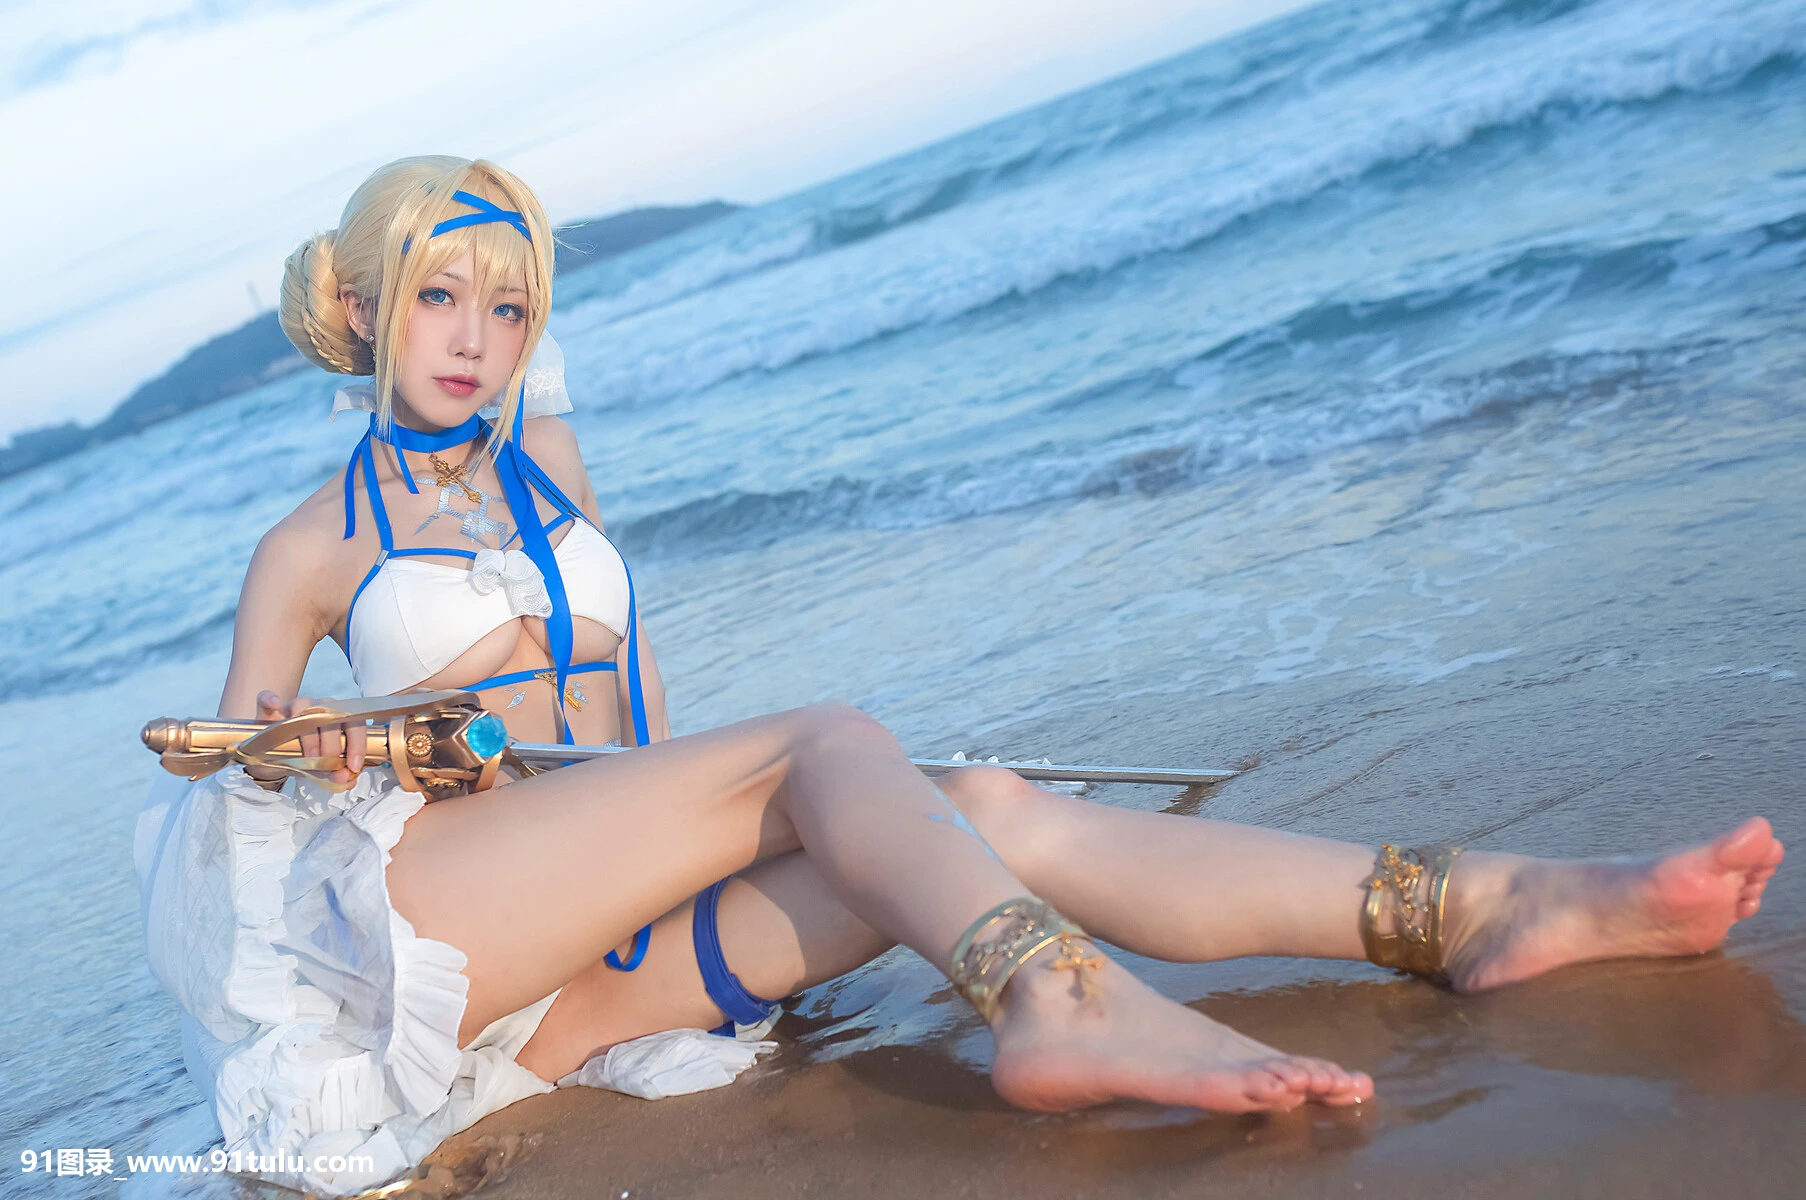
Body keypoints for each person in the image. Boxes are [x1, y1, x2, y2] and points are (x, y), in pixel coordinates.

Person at [133, 156, 1785, 1197]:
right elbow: (236, 808)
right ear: (365, 309)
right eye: (436, 297)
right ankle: (1057, 1003)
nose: (475, 335)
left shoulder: (548, 462)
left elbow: (605, 599)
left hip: (602, 972)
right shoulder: (307, 547)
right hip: (455, 938)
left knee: (973, 808)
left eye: (505, 307)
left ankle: (1473, 906)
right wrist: (316, 749)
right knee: (825, 740)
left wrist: (500, 269)